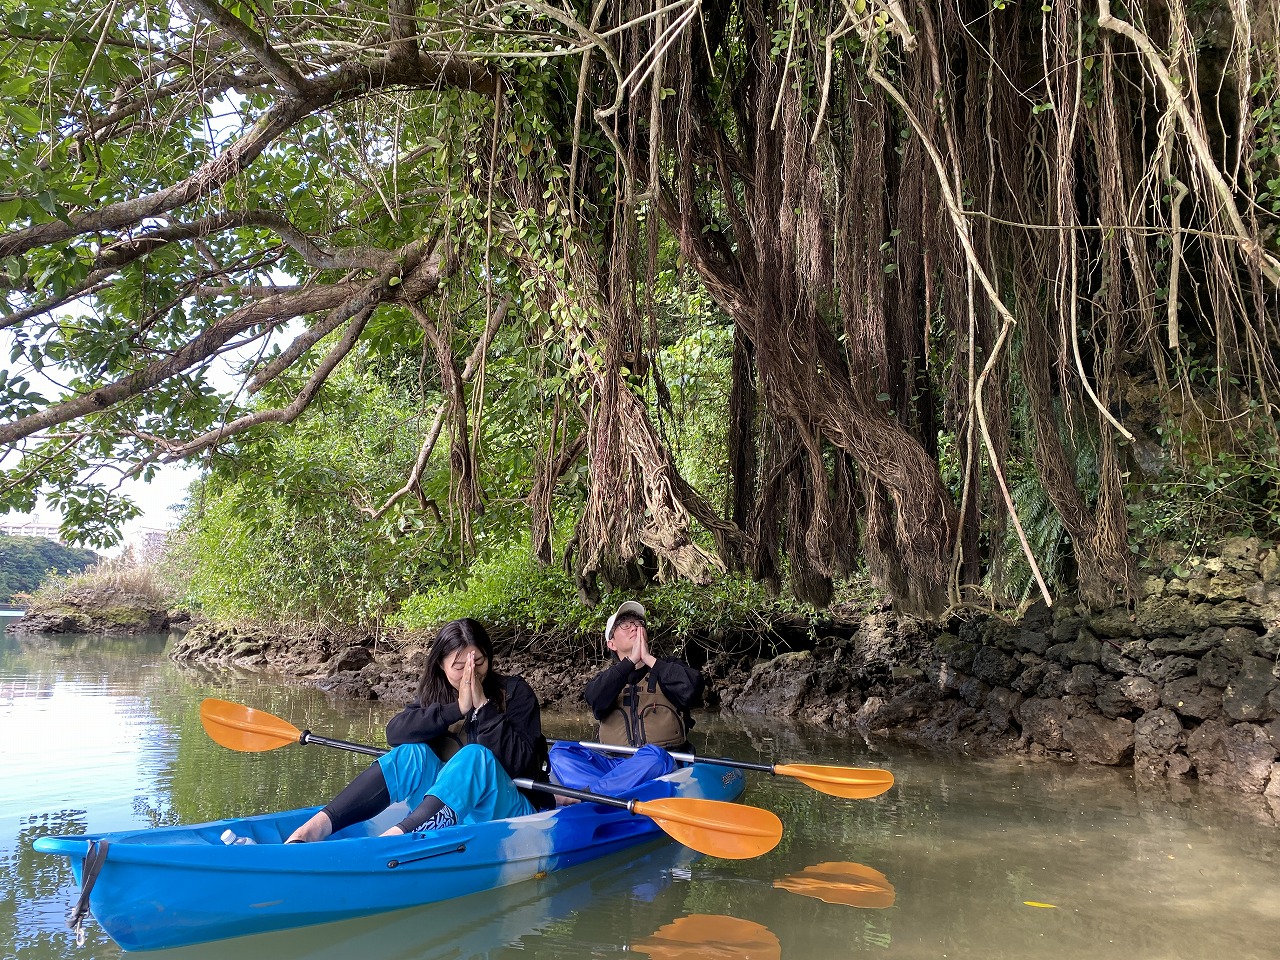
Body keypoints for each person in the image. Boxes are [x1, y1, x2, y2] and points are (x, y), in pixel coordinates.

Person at [287, 618, 552, 842]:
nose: (472, 673)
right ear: (441, 665)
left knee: (476, 756)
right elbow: (395, 734)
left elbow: (522, 764)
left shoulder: (516, 693)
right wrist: (456, 709)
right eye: (459, 668)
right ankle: (316, 827)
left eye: (479, 662)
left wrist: (483, 706)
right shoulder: (437, 694)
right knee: (413, 753)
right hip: (452, 804)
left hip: (510, 811)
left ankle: (394, 841)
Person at [550, 600, 704, 794]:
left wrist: (647, 658)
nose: (634, 628)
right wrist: (630, 661)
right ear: (611, 643)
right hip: (614, 764)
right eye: (625, 625)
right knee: (560, 751)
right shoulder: (607, 680)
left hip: (658, 765)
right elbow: (594, 698)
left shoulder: (667, 669)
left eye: (639, 624)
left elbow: (693, 688)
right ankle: (604, 791)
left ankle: (588, 795)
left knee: (654, 757)